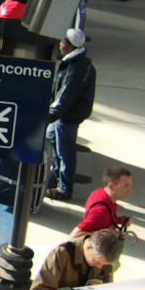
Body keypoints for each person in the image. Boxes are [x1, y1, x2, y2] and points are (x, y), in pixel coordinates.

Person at [45, 28, 97, 202]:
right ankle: (57, 176)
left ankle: (64, 189)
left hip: (67, 118)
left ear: (68, 46)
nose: (59, 43)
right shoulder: (78, 62)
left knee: (65, 152)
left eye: (62, 41)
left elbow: (65, 97)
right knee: (52, 139)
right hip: (64, 116)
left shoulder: (75, 69)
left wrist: (47, 117)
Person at [74, 166, 135, 238]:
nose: (131, 190)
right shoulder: (101, 211)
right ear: (111, 186)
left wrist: (120, 220)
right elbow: (74, 236)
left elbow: (103, 221)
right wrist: (109, 233)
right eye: (126, 186)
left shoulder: (102, 193)